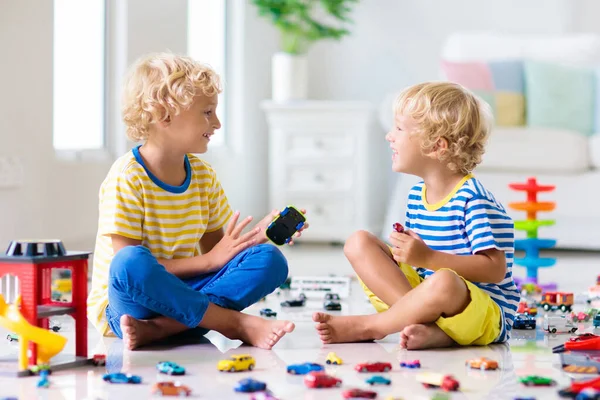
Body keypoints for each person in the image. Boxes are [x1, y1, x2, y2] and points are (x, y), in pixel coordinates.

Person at [87, 53, 306, 350]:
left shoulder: (202, 175)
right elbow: (127, 269)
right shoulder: (127, 177)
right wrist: (208, 261)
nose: (216, 123)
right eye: (207, 112)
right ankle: (232, 323)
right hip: (128, 307)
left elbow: (219, 255)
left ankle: (163, 328)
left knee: (269, 261)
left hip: (182, 294)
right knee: (129, 263)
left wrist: (261, 234)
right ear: (164, 115)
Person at [313, 82, 519, 349]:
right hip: (429, 295)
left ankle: (373, 326)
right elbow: (418, 264)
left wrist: (428, 257)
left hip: (482, 311)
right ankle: (425, 326)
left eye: (399, 128)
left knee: (444, 281)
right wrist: (407, 251)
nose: (390, 136)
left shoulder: (472, 199)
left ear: (437, 146)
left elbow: (495, 270)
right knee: (359, 242)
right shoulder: (416, 194)